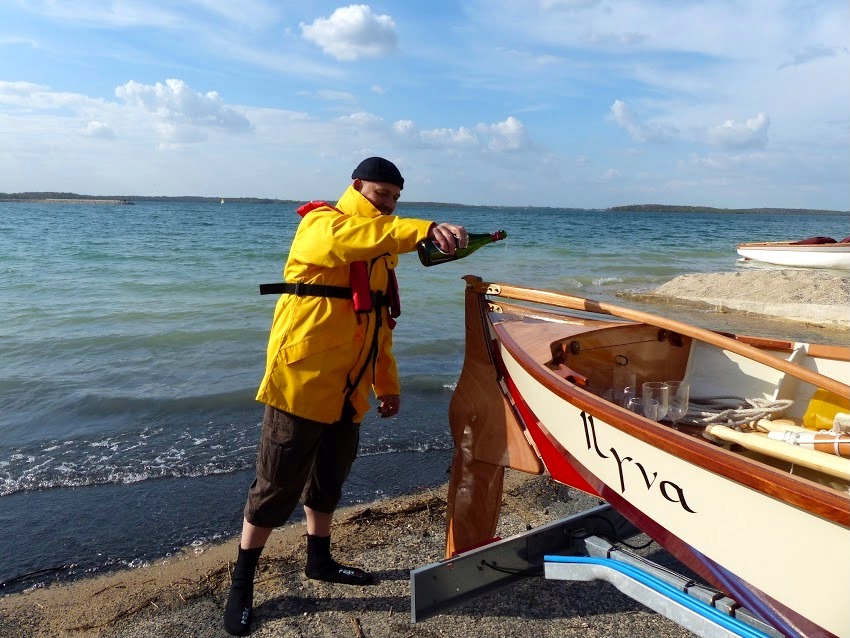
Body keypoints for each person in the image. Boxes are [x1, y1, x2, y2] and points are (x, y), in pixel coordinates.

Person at [224, 157, 468, 635]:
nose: (389, 203)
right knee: (275, 486)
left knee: (329, 479)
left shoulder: (381, 251)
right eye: (382, 194)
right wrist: (423, 227)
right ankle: (242, 583)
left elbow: (379, 326)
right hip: (303, 382)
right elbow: (353, 239)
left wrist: (388, 386)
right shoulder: (322, 225)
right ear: (357, 187)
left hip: (349, 389)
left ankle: (320, 559)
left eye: (396, 198)